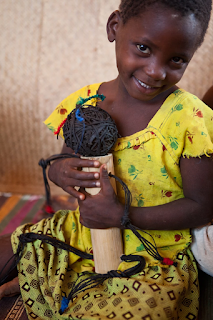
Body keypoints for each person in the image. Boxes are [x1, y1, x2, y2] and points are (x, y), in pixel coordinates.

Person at [0, 0, 213, 319]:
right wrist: (60, 170)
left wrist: (123, 216)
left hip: (153, 254)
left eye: (176, 59)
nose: (156, 71)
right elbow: (65, 160)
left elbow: (203, 206)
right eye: (143, 48)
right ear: (115, 27)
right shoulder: (87, 102)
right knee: (9, 248)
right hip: (80, 231)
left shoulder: (191, 120)